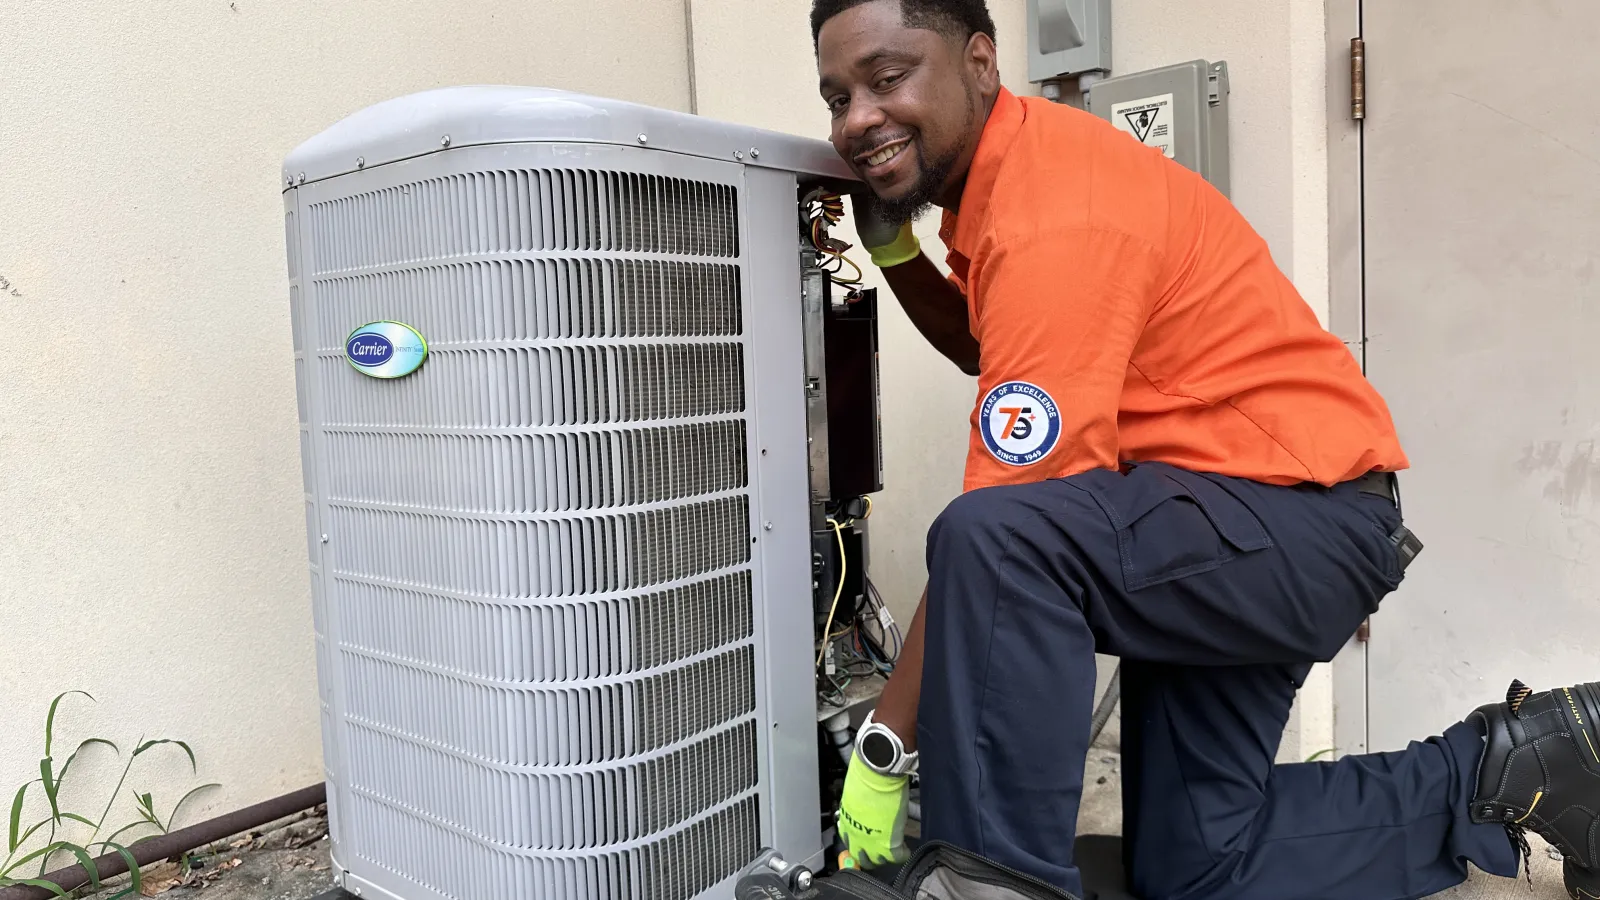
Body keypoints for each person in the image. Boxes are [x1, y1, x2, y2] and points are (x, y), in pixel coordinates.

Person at [811, 1, 1600, 898]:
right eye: (837, 97)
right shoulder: (1015, 183)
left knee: (995, 538)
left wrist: (883, 751)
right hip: (1232, 524)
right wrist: (898, 254)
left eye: (887, 78)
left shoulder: (1052, 212)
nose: (857, 119)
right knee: (1193, 867)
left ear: (981, 61)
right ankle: (1524, 769)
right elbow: (1000, 353)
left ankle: (986, 884)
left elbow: (997, 545)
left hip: (1294, 521)